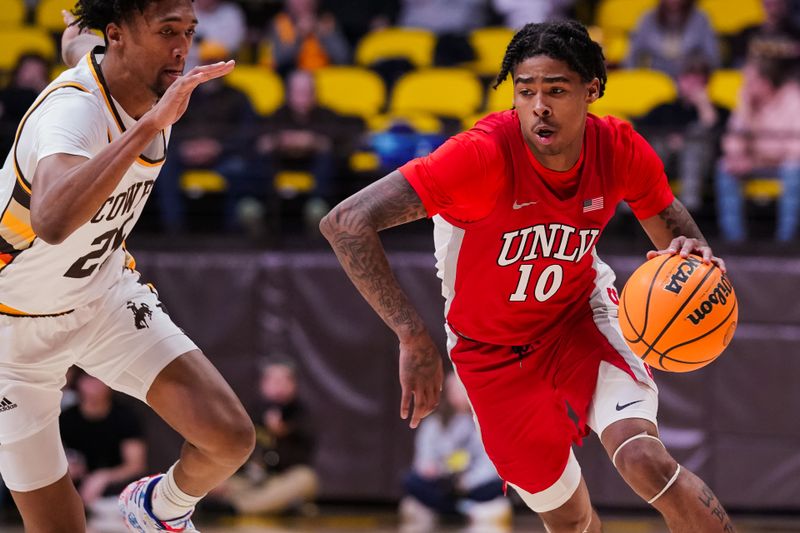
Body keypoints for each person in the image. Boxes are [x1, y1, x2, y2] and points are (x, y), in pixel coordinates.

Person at [321, 20, 736, 533]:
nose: (539, 105)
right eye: (525, 90)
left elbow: (671, 223)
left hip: (579, 318)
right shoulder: (479, 156)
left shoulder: (619, 148)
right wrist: (411, 334)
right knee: (569, 521)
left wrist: (693, 256)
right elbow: (345, 222)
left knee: (643, 460)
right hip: (489, 353)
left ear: (592, 91)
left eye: (556, 90)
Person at [0, 3, 256, 532]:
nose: (182, 47)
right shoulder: (74, 111)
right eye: (167, 32)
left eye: (188, 31)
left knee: (229, 438)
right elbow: (50, 220)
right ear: (118, 36)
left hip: (101, 298)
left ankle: (158, 509)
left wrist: (75, 28)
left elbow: (78, 45)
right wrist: (148, 128)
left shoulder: (125, 69)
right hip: (11, 331)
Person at [157, 40, 257, 233]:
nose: (211, 69)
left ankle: (232, 230)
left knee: (239, 168)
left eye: (216, 62)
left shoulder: (238, 97)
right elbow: (168, 126)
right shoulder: (185, 94)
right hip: (186, 153)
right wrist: (185, 148)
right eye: (207, 62)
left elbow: (247, 133)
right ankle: (173, 229)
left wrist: (218, 147)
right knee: (163, 167)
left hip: (224, 154)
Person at [253, 69, 364, 231]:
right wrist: (280, 141)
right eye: (298, 92)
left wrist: (315, 142)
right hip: (281, 165)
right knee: (261, 160)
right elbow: (259, 143)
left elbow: (343, 145)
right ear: (288, 93)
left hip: (316, 169)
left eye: (307, 92)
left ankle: (318, 209)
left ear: (315, 93)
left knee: (329, 160)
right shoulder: (277, 115)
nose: (303, 97)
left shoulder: (327, 115)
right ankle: (258, 209)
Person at [399, 373, 510, 531]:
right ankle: (455, 508)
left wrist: (467, 481)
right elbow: (423, 459)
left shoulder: (487, 422)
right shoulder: (434, 423)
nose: (459, 394)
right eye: (455, 389)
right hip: (442, 483)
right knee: (410, 480)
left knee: (498, 485)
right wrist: (433, 470)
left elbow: (490, 465)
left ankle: (458, 507)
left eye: (462, 389)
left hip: (472, 485)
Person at [214, 357, 318, 515]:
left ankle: (239, 508)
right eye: (273, 380)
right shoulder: (249, 412)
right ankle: (273, 507)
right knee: (211, 480)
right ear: (263, 383)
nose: (279, 386)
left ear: (293, 384)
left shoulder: (302, 415)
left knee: (306, 479)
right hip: (248, 481)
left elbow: (301, 459)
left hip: (279, 481)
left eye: (284, 380)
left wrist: (281, 435)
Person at [714, 57, 800, 242]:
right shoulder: (746, 101)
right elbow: (730, 144)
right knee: (725, 167)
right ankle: (734, 241)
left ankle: (785, 241)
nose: (746, 85)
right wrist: (745, 112)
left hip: (784, 164)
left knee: (793, 169)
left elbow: (795, 149)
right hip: (755, 163)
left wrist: (756, 159)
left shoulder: (793, 99)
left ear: (765, 82)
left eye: (750, 80)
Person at [634, 56, 729, 211]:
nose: (692, 86)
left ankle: (688, 213)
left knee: (693, 148)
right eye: (687, 79)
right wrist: (669, 140)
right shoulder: (665, 108)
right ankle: (632, 210)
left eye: (698, 82)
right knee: (653, 150)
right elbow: (641, 130)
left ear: (707, 84)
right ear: (678, 81)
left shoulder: (720, 110)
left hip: (703, 165)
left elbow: (720, 134)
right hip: (665, 162)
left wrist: (704, 106)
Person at [61, 372, 147, 513]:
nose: (94, 386)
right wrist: (66, 467)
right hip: (76, 485)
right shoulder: (66, 418)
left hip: (115, 485)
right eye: (88, 380)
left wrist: (103, 477)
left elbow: (135, 465)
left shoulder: (125, 417)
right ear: (79, 383)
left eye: (98, 380)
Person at [625, 0, 719, 79]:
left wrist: (698, 66)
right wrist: (632, 79)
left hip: (690, 81)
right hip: (656, 79)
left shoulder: (701, 19)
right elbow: (632, 54)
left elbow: (713, 57)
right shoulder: (648, 18)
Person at [266, 0, 350, 76]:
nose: (304, 2)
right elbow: (278, 62)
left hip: (326, 80)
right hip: (293, 82)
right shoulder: (280, 24)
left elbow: (344, 58)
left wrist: (323, 34)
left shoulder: (326, 22)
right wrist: (299, 36)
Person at [0, 54, 51, 156]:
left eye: (37, 72)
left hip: (35, 141)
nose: (32, 76)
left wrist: (43, 89)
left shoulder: (49, 97)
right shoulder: (5, 95)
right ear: (18, 72)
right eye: (28, 70)